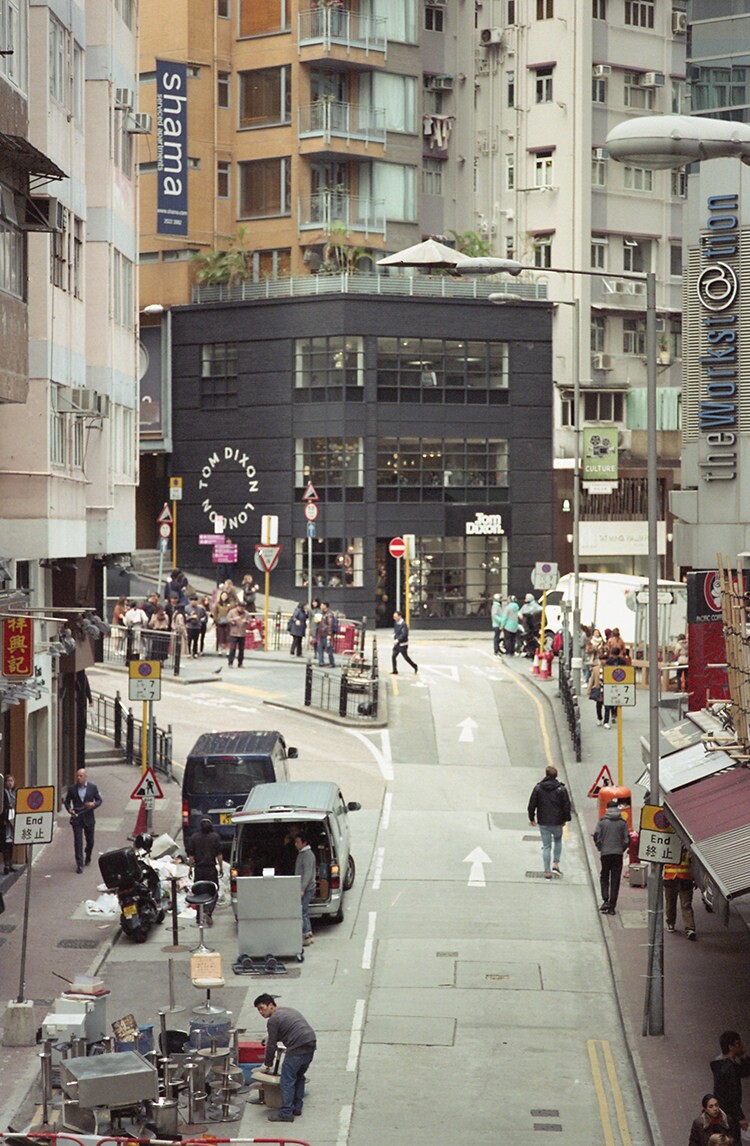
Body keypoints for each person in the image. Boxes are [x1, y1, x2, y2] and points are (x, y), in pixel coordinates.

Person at [254, 994, 317, 1122]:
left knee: (287, 1080)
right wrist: (270, 1036)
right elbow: (288, 1028)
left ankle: (286, 1113)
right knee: (299, 1076)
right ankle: (297, 1107)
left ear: (271, 1006)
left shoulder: (273, 1020)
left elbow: (271, 1046)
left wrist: (267, 1064)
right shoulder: (287, 1010)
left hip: (297, 1047)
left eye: (262, 1008)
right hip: (310, 1043)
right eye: (258, 1010)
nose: (260, 1012)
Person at [527, 765, 571, 879]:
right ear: (556, 776)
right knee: (558, 841)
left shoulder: (538, 788)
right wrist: (566, 819)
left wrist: (532, 818)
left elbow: (532, 804)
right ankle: (556, 864)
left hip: (543, 821)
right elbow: (566, 805)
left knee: (546, 846)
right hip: (557, 821)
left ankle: (547, 871)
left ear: (546, 775)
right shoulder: (561, 789)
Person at [711, 1030, 750, 1141]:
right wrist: (740, 1117)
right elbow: (732, 1096)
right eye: (738, 1043)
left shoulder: (722, 1064)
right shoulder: (729, 1069)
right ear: (731, 1046)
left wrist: (743, 1056)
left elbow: (744, 1072)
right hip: (729, 1115)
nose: (741, 1046)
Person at [593, 799, 630, 914]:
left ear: (607, 809)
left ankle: (605, 900)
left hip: (605, 853)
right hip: (618, 854)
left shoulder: (602, 822)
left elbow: (596, 836)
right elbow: (627, 839)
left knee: (604, 876)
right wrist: (621, 849)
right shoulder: (623, 823)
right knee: (615, 879)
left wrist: (600, 847)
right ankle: (612, 906)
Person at [63, 767, 103, 874]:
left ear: (85, 777)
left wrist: (93, 804)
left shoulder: (92, 788)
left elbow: (99, 800)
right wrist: (69, 809)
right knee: (78, 841)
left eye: (81, 776)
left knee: (90, 841)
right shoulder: (72, 789)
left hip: (89, 817)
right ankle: (79, 864)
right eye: (77, 776)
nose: (78, 778)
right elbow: (67, 802)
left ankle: (88, 854)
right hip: (77, 817)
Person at [187, 817, 223, 925]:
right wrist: (221, 867)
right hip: (211, 870)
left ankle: (199, 916)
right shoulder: (215, 837)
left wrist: (190, 869)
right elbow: (219, 854)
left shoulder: (194, 837)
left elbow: (191, 856)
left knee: (198, 893)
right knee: (213, 892)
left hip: (199, 870)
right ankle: (208, 912)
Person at [663, 846, 697, 940]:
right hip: (672, 879)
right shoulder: (668, 848)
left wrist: (695, 879)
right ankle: (671, 922)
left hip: (684, 880)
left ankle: (690, 929)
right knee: (671, 904)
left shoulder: (689, 850)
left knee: (686, 905)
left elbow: (694, 866)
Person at [295, 831, 317, 947]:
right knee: (303, 911)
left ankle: (307, 935)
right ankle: (308, 933)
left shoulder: (307, 855)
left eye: (298, 842)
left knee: (302, 911)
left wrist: (302, 889)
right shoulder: (302, 854)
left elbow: (307, 874)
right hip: (304, 887)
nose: (296, 844)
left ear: (304, 843)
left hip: (307, 888)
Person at [588, 649, 614, 729]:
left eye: (604, 659)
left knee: (607, 707)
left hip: (607, 690)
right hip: (598, 689)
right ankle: (599, 718)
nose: (603, 661)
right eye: (601, 659)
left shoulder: (610, 669)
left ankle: (606, 721)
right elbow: (592, 679)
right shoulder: (595, 669)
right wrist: (589, 689)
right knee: (598, 706)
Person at [1, 774, 16, 874]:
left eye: (11, 781)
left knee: (11, 843)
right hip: (5, 821)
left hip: (12, 820)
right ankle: (6, 864)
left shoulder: (13, 793)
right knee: (5, 843)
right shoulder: (3, 793)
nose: (10, 783)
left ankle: (10, 863)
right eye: (8, 781)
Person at [226, 601, 249, 667]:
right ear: (237, 607)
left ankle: (240, 663)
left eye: (243, 608)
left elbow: (249, 620)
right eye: (240, 607)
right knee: (232, 648)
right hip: (234, 633)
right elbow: (228, 619)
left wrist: (246, 621)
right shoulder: (232, 612)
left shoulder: (246, 613)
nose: (242, 609)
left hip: (242, 633)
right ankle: (230, 662)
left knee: (241, 649)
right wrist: (233, 619)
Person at [185, 595, 207, 659]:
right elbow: (185, 617)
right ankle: (188, 652)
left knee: (196, 641)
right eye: (192, 600)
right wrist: (191, 617)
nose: (193, 602)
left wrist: (201, 621)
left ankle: (195, 652)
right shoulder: (186, 608)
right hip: (189, 626)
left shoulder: (200, 609)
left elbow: (204, 616)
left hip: (197, 626)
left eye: (195, 600)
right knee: (189, 640)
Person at [316, 602, 336, 668]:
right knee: (320, 648)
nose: (320, 606)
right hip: (322, 634)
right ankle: (321, 662)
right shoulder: (322, 613)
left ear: (325, 606)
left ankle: (332, 663)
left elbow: (330, 625)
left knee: (329, 649)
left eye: (322, 605)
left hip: (326, 634)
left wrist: (329, 634)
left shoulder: (329, 614)